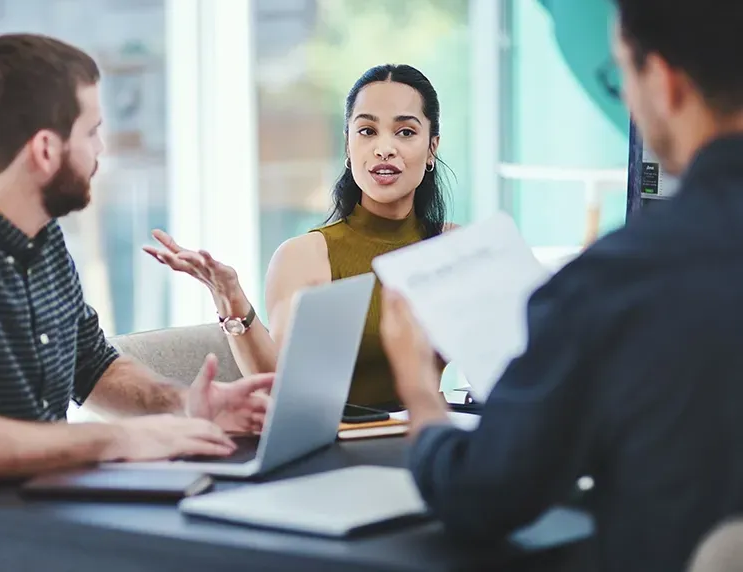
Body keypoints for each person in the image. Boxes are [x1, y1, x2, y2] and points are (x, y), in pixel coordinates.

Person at [378, 1, 743, 570]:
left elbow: (482, 494)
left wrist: (418, 387)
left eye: (621, 75)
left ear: (665, 83)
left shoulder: (621, 279)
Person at [0, 33, 274, 489]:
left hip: (32, 513)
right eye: (92, 131)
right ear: (45, 150)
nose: (102, 148)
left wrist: (185, 404)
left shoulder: (42, 238)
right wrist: (120, 439)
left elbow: (94, 366)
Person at [144, 64, 453, 410]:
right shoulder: (303, 256)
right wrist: (230, 298)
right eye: (367, 131)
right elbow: (281, 391)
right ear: (348, 147)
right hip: (341, 450)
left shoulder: (456, 248)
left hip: (437, 442)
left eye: (405, 133)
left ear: (431, 148)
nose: (384, 148)